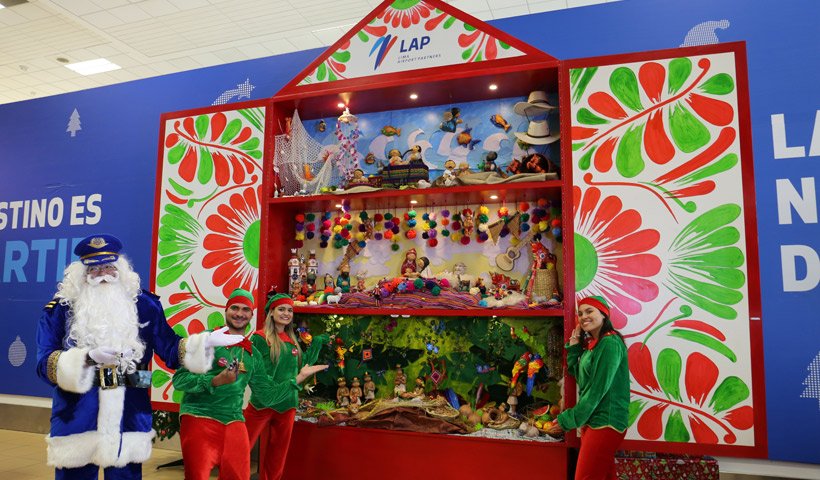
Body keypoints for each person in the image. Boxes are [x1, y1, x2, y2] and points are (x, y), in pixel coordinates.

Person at [35, 234, 243, 480]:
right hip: (78, 413)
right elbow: (44, 363)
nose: (103, 274)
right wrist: (88, 358)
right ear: (81, 273)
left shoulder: (144, 304)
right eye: (95, 268)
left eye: (109, 266)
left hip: (130, 411)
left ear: (121, 268)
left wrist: (203, 343)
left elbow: (170, 348)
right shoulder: (61, 309)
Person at [173, 289, 276, 480]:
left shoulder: (252, 352)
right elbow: (179, 380)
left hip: (234, 419)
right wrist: (215, 380)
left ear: (252, 315)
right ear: (226, 311)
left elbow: (265, 392)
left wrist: (297, 379)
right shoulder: (208, 339)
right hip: (199, 414)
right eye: (234, 308)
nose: (239, 313)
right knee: (197, 476)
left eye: (245, 309)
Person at [244, 293, 328, 480]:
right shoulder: (259, 338)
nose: (286, 313)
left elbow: (301, 368)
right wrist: (274, 391)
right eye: (281, 309)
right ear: (271, 312)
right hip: (262, 403)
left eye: (290, 310)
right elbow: (259, 375)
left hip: (288, 403)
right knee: (241, 448)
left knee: (277, 454)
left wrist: (316, 344)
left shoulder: (292, 340)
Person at [547, 296, 629, 480]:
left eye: (589, 311)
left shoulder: (610, 344)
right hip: (593, 421)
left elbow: (596, 391)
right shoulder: (594, 345)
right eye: (580, 313)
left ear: (604, 314)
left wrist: (569, 419)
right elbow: (579, 376)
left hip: (606, 422)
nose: (583, 316)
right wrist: (575, 347)